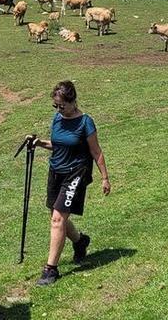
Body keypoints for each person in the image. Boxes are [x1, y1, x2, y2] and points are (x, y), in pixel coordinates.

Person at [29, 80, 110, 286]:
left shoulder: (85, 122)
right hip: (55, 170)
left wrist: (104, 178)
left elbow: (96, 151)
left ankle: (51, 270)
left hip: (76, 172)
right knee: (56, 215)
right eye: (55, 106)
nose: (59, 110)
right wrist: (39, 143)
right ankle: (80, 241)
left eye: (62, 106)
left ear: (73, 102)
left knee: (57, 219)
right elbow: (58, 145)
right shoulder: (57, 119)